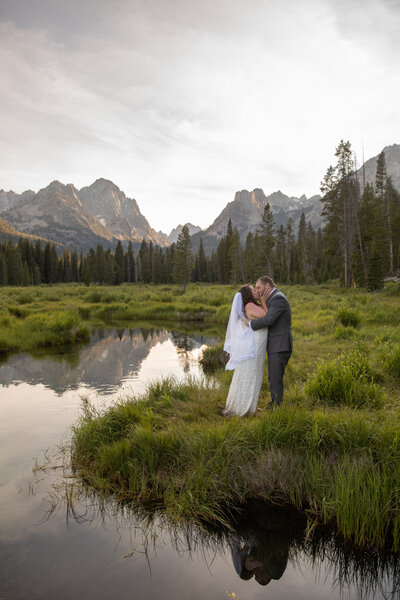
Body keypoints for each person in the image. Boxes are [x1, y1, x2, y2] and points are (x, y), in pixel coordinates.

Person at [246, 276, 292, 410]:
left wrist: (249, 324)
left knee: (275, 378)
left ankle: (276, 409)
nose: (257, 290)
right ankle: (274, 405)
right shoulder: (271, 298)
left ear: (267, 286)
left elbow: (268, 320)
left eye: (258, 287)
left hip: (280, 345)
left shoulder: (278, 298)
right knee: (273, 377)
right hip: (276, 345)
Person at [222, 284, 268, 416]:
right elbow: (267, 315)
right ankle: (243, 408)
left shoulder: (250, 305)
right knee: (250, 375)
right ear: (248, 294)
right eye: (253, 290)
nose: (256, 291)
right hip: (255, 344)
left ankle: (249, 406)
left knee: (251, 374)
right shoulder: (249, 306)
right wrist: (264, 302)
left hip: (255, 343)